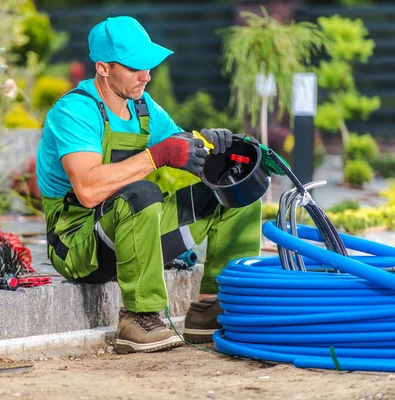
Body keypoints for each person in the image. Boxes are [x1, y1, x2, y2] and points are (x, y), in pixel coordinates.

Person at [36, 16, 261, 353]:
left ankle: (212, 308)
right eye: (135, 67)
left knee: (235, 194)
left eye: (149, 65)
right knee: (142, 194)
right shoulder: (75, 112)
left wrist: (221, 153)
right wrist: (157, 156)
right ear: (103, 68)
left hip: (132, 234)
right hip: (80, 246)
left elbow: (180, 148)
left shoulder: (143, 108)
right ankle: (138, 318)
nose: (147, 75)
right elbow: (87, 190)